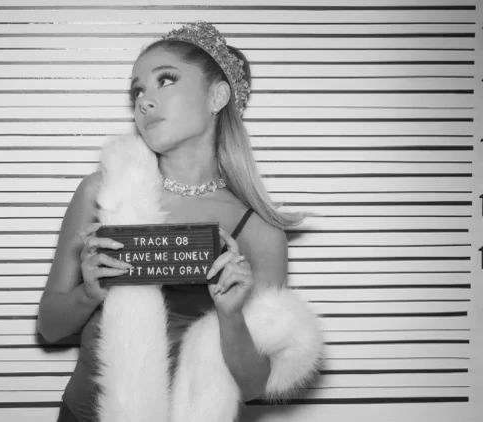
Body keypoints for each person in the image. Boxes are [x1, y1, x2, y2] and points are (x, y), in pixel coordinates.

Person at [38, 21, 322, 422]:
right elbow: (49, 327)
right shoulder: (102, 192)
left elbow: (255, 386)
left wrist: (231, 315)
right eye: (138, 90)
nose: (144, 101)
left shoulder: (258, 229)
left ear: (217, 96)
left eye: (165, 80)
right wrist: (90, 292)